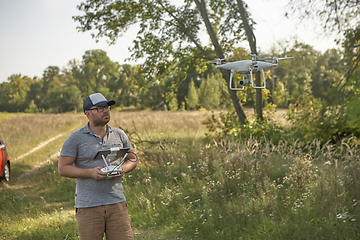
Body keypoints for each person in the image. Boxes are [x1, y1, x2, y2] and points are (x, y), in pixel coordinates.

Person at [58, 93, 137, 240]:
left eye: (106, 107)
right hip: (88, 206)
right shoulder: (76, 138)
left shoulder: (119, 135)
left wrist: (123, 169)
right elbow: (63, 168)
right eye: (100, 108)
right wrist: (90, 173)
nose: (105, 111)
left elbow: (132, 159)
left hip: (117, 202)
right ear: (88, 113)